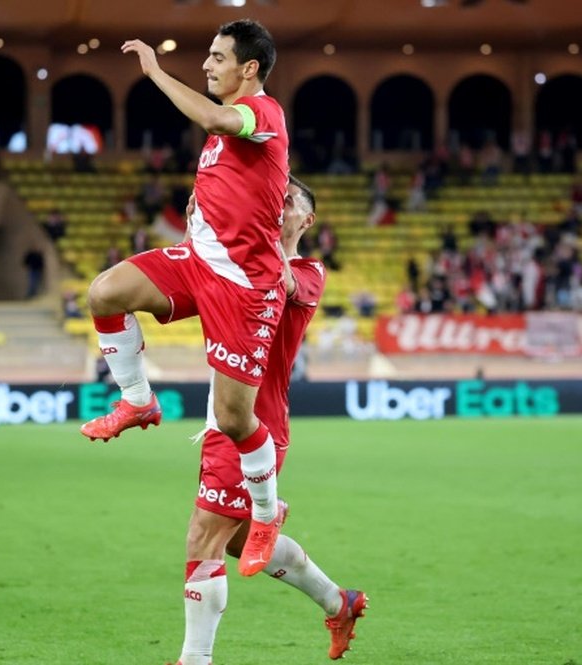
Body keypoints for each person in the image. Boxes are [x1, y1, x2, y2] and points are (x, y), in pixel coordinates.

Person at [81, 19, 289, 578]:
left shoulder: (261, 113)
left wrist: (154, 71)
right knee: (105, 292)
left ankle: (267, 514)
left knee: (233, 417)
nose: (207, 64)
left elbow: (219, 116)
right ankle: (137, 399)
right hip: (198, 264)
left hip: (244, 287)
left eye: (218, 57)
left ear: (249, 68)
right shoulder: (226, 136)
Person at [174, 176, 367, 665]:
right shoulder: (238, 264)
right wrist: (201, 225)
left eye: (285, 203)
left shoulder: (308, 271)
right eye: (270, 200)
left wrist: (247, 228)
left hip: (256, 423)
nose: (275, 208)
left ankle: (194, 660)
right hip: (223, 415)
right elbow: (196, 274)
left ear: (307, 219)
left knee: (203, 535)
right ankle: (337, 601)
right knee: (235, 540)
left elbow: (277, 280)